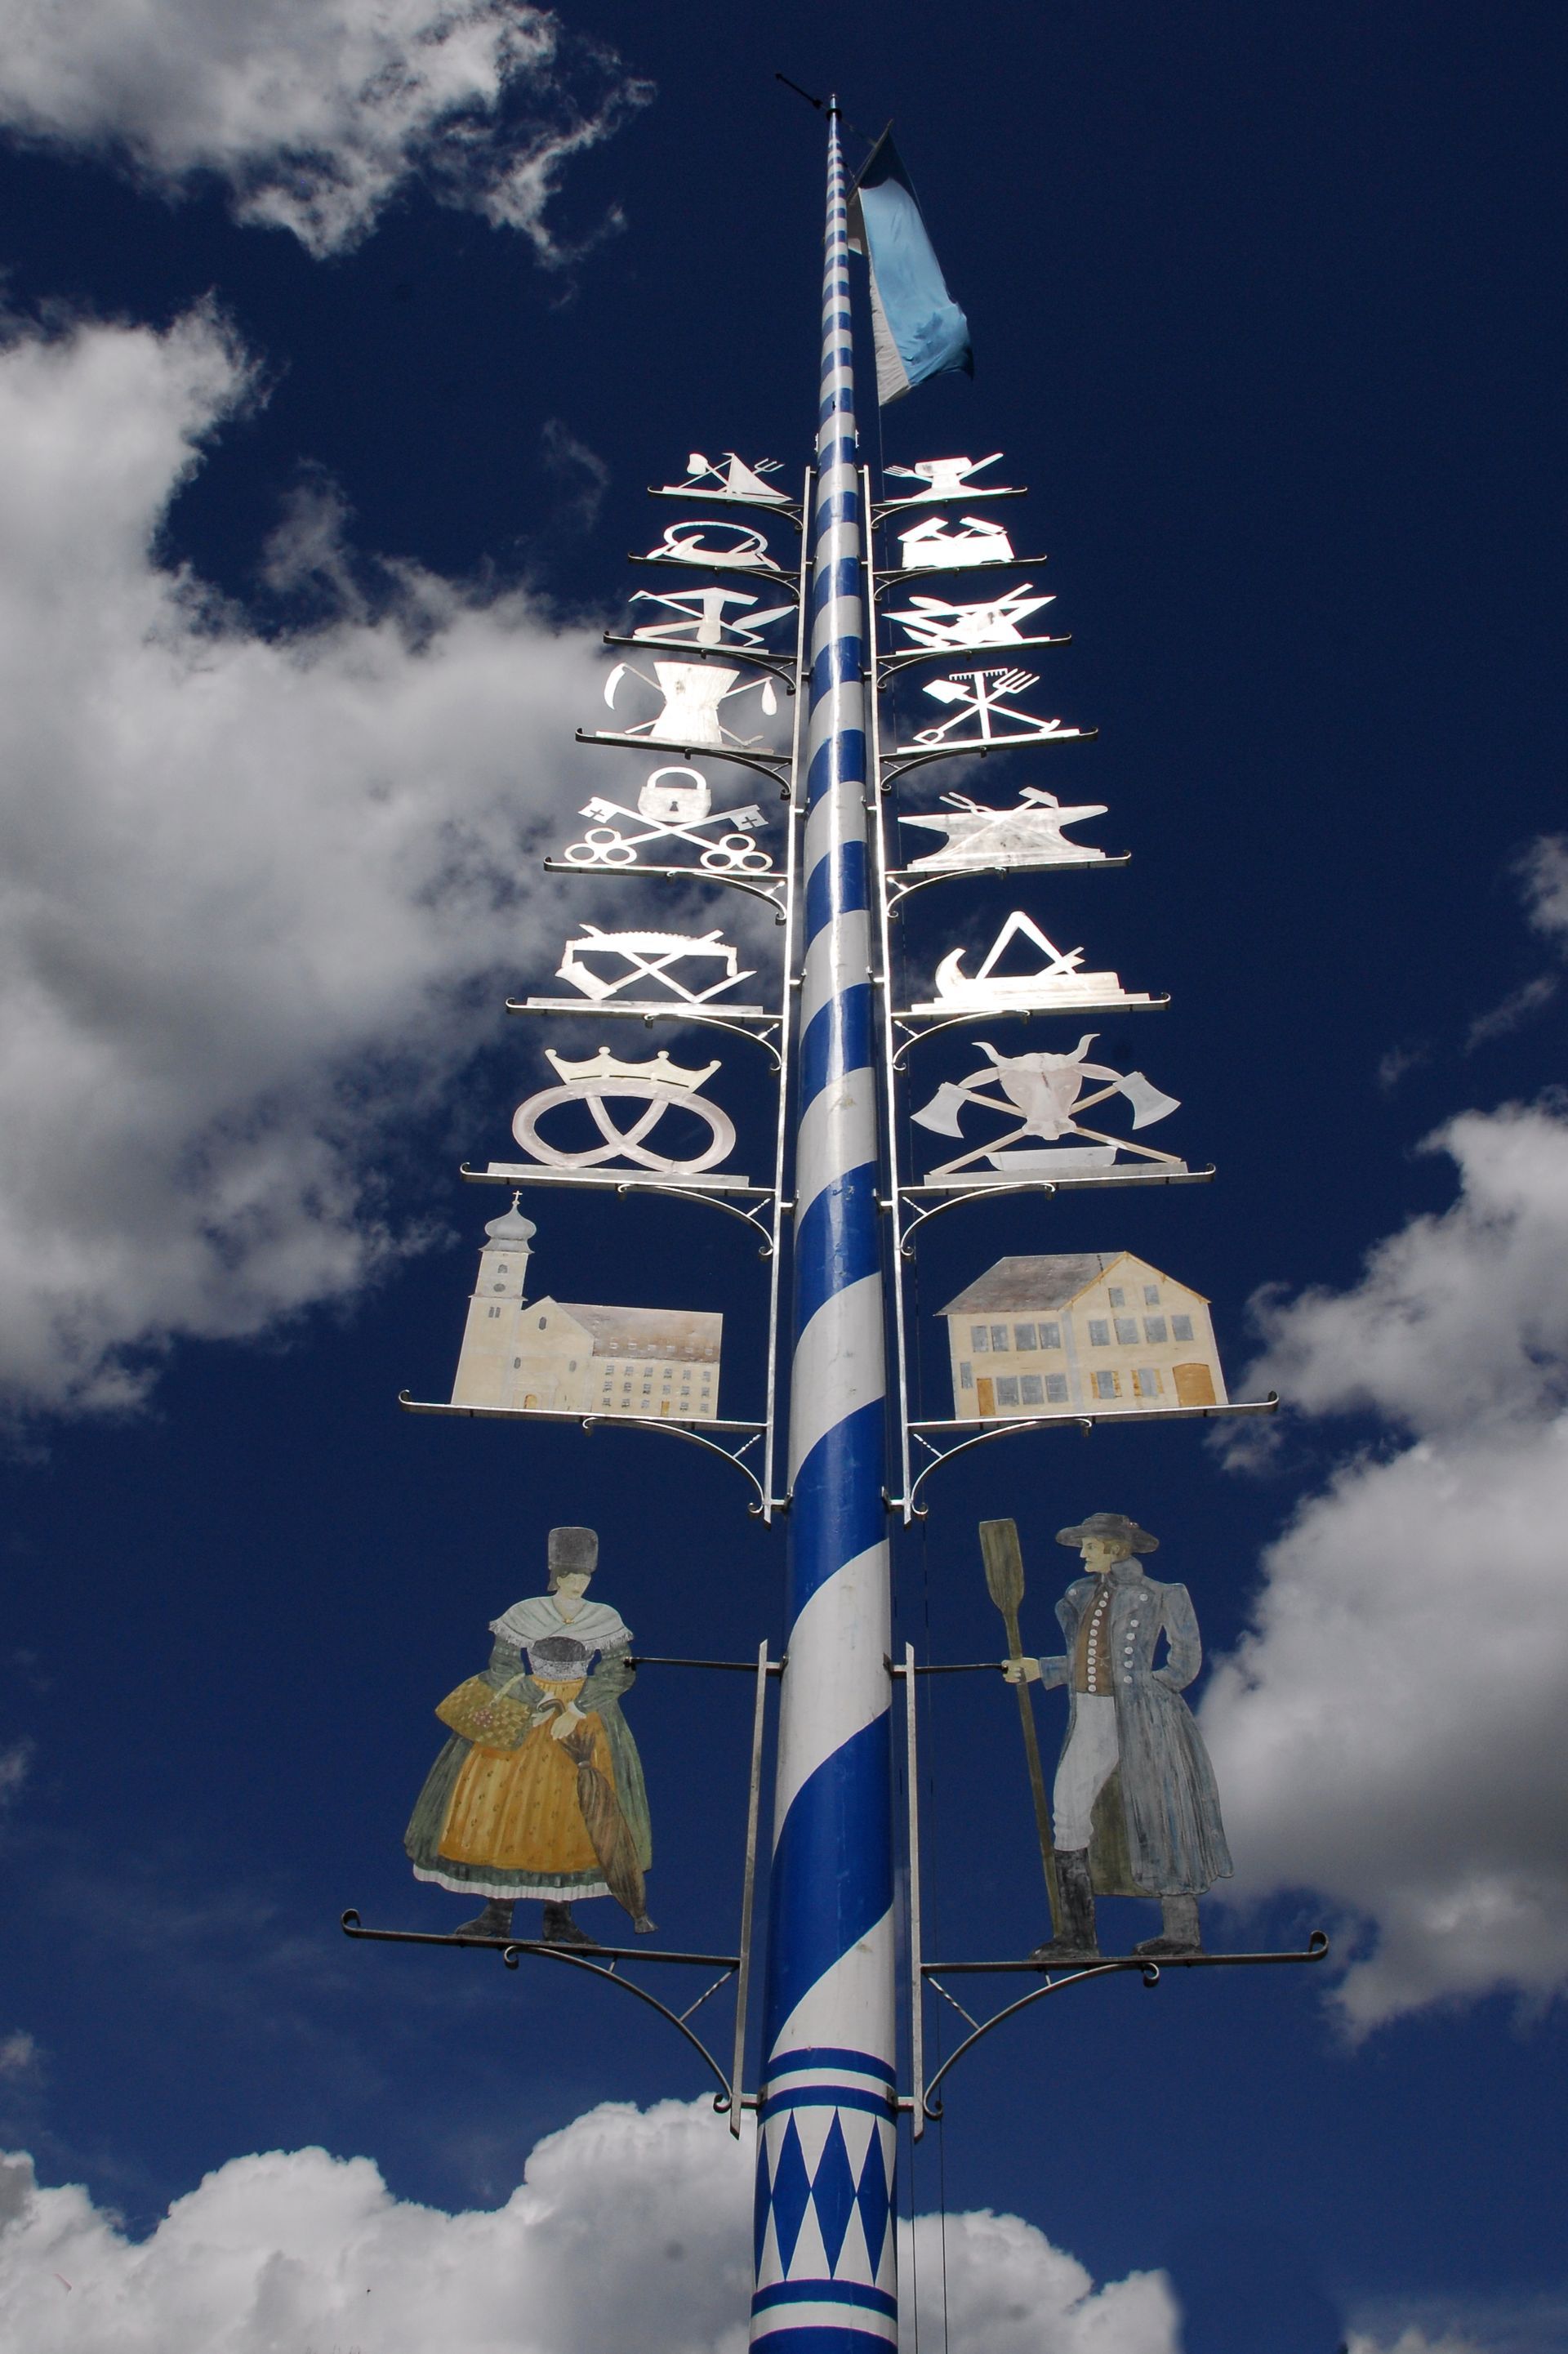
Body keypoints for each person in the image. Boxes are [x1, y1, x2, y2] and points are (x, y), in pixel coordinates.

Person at [403, 1526, 653, 1946]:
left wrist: (574, 1709)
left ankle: (560, 1918)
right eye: (571, 1576)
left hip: (583, 1718)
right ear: (556, 1574)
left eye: (584, 1577)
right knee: (503, 1807)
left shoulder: (604, 1617)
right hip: (528, 1712)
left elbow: (619, 1670)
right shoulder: (526, 1612)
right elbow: (501, 1665)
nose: (578, 1584)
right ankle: (497, 1912)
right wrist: (536, 1700)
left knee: (573, 1811)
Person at [1003, 1511, 1231, 1960]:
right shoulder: (1079, 1596)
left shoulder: (1162, 1594)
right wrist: (1041, 1669)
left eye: (1090, 1545)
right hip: (1090, 1712)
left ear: (1114, 1548)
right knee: (1068, 1808)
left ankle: (1182, 1934)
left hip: (1145, 1717)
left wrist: (1154, 1688)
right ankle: (1078, 1935)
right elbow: (1087, 1662)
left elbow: (1184, 1659)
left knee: (1162, 1813)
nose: (1083, 1553)